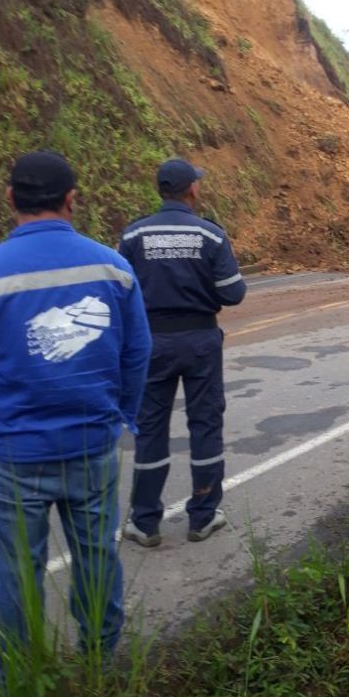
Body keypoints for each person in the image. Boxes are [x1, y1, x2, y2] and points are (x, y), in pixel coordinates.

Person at [0, 151, 151, 678]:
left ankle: (19, 689)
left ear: (8, 199)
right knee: (97, 559)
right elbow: (137, 353)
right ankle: (99, 671)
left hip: (10, 455)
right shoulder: (111, 268)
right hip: (91, 446)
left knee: (16, 578)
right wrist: (119, 415)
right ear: (73, 201)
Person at [119, 158, 247, 547]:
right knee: (205, 424)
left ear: (160, 190)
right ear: (192, 189)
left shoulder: (133, 235)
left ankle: (145, 521)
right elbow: (234, 293)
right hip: (200, 341)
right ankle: (203, 517)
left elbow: (120, 292)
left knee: (151, 428)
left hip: (151, 342)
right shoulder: (210, 236)